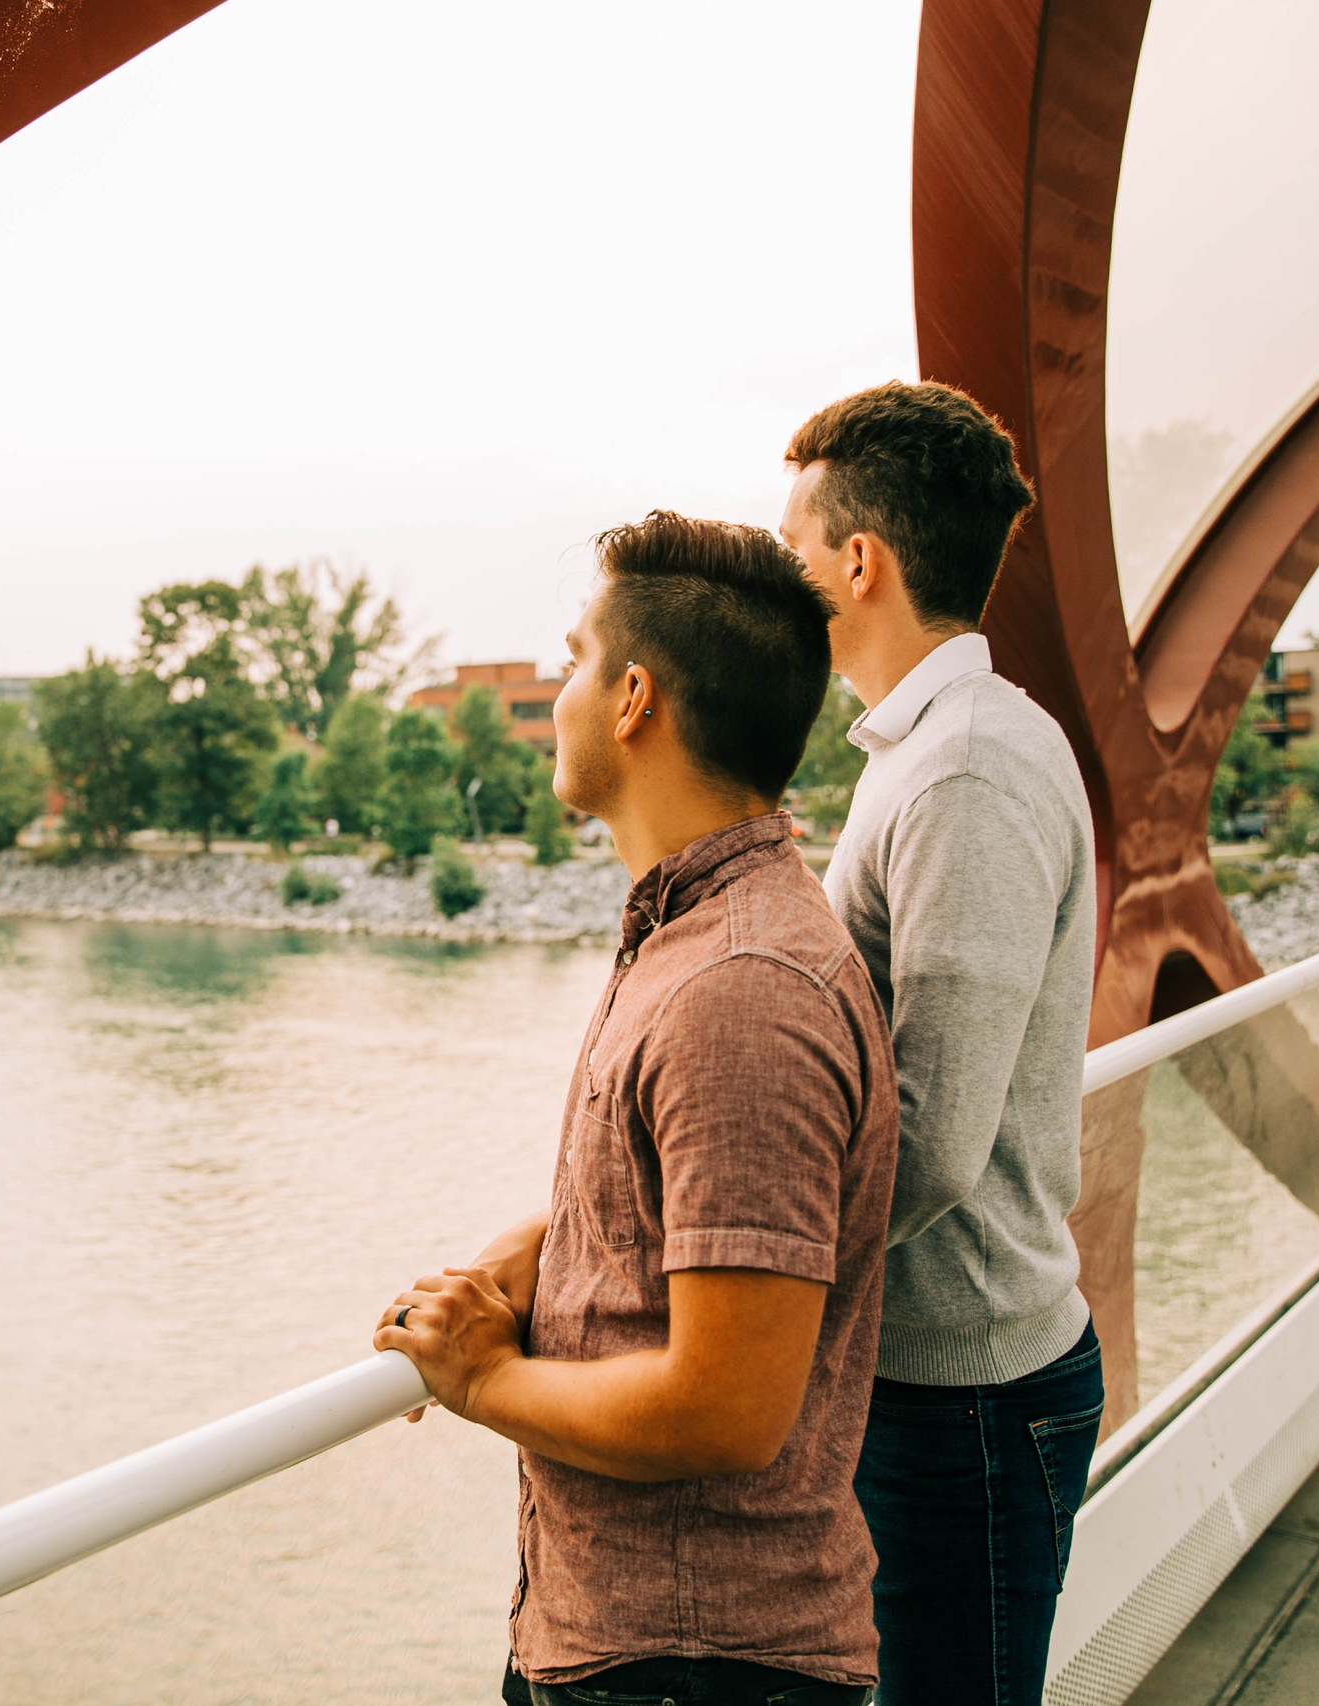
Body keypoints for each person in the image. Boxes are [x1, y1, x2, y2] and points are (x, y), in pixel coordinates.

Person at [374, 512, 901, 1706]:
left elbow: (724, 1405)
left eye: (570, 659)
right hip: (649, 1649)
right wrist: (547, 1245)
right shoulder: (698, 935)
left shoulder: (739, 991)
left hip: (691, 1665)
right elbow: (684, 1215)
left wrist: (475, 1376)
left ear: (631, 699)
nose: (557, 693)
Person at [778, 383, 1101, 1706]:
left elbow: (934, 1135)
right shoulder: (927, 750)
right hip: (936, 1381)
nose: (779, 572)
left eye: (790, 543)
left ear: (860, 561)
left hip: (963, 1395)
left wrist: (734, 1289)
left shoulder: (966, 765)